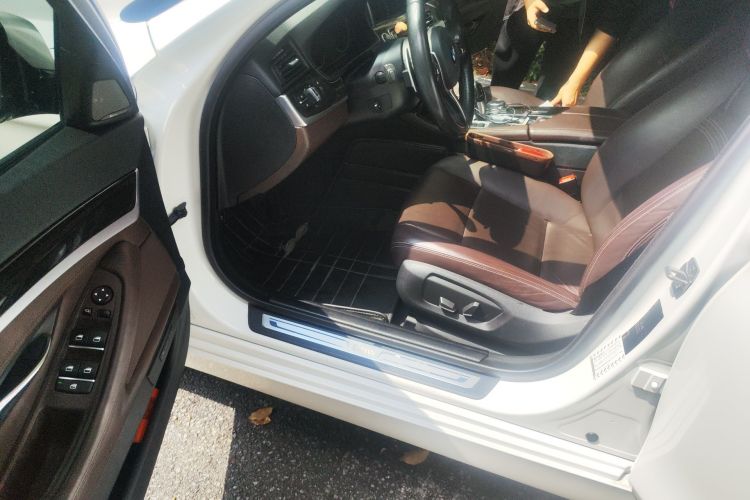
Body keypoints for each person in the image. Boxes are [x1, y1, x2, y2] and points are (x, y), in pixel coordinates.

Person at [492, 0, 672, 103]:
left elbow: (612, 24)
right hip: (528, 9)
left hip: (578, 20)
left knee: (554, 95)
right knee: (503, 77)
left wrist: (574, 83)